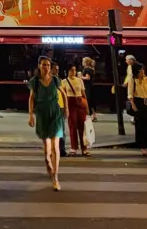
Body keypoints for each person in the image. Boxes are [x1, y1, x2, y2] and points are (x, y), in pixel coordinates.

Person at [28, 56, 67, 191]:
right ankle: (47, 162)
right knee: (47, 149)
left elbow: (63, 94)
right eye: (44, 65)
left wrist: (66, 109)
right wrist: (31, 115)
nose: (46, 67)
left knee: (56, 146)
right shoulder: (35, 82)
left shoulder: (55, 80)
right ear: (39, 66)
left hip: (55, 113)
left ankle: (55, 177)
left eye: (48, 65)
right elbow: (31, 98)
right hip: (42, 114)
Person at [62, 64, 90, 156]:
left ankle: (84, 147)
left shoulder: (79, 80)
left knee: (82, 126)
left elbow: (83, 93)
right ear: (68, 71)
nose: (73, 72)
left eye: (74, 70)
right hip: (70, 103)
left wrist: (87, 106)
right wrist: (65, 108)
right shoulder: (64, 82)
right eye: (71, 70)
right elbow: (63, 95)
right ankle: (73, 148)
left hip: (80, 102)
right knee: (72, 126)